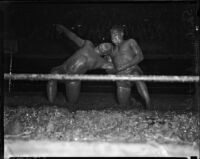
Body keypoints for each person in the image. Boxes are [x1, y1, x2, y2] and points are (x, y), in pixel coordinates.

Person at [47, 24, 114, 105]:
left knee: (72, 103)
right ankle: (50, 104)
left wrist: (111, 59)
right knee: (52, 76)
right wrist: (64, 29)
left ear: (106, 53)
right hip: (62, 70)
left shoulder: (101, 62)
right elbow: (74, 37)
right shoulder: (87, 44)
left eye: (108, 48)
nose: (106, 46)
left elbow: (115, 67)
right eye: (106, 43)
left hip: (73, 80)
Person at [105, 25, 151, 109]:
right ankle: (133, 102)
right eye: (111, 35)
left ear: (121, 34)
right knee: (123, 105)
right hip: (121, 77)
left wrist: (124, 67)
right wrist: (110, 72)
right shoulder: (112, 51)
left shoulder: (130, 42)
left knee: (136, 76)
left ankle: (149, 107)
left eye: (115, 34)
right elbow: (109, 68)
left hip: (133, 70)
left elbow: (140, 56)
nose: (113, 37)